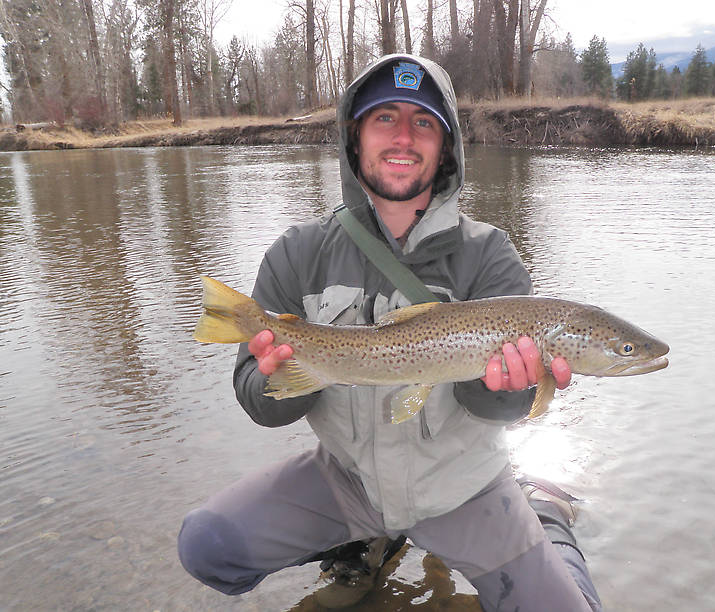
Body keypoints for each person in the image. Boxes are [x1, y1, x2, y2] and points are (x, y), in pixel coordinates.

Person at [177, 54, 602, 611]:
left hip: (463, 489)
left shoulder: (490, 255)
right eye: (384, 118)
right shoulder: (297, 253)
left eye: (423, 122)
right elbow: (258, 403)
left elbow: (502, 413)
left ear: (446, 147)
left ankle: (545, 514)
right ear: (354, 138)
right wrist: (279, 372)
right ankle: (363, 539)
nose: (403, 137)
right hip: (347, 481)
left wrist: (509, 388)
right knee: (208, 546)